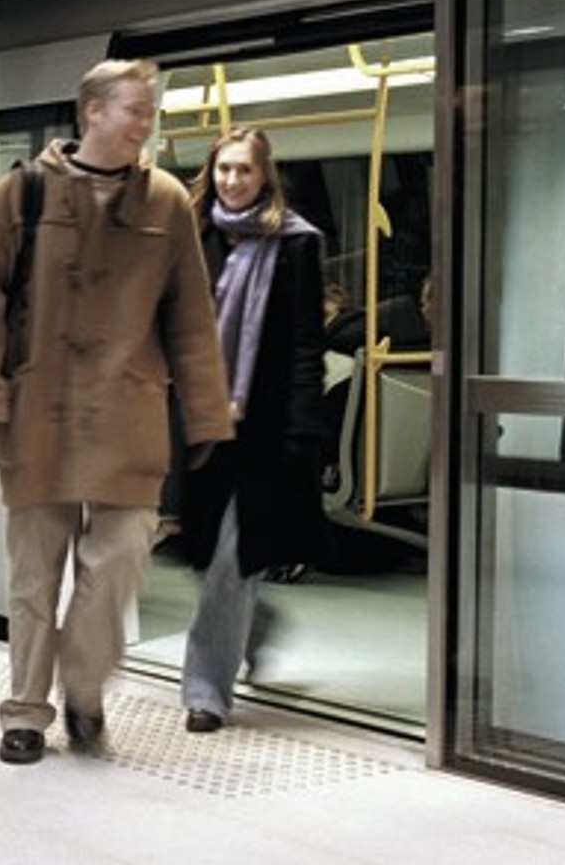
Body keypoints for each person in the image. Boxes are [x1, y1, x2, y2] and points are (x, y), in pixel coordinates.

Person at [0, 59, 232, 763]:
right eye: (133, 108)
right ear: (91, 112)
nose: (145, 122)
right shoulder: (21, 193)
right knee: (36, 576)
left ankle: (83, 686)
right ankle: (25, 712)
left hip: (128, 414)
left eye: (149, 109)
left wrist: (205, 415)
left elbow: (192, 318)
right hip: (36, 411)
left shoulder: (165, 201)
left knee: (120, 563)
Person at [177, 127, 332, 734]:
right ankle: (254, 619)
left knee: (229, 560)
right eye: (222, 170)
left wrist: (304, 427)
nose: (232, 181)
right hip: (199, 422)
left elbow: (304, 344)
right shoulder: (195, 235)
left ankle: (206, 690)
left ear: (265, 175)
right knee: (199, 551)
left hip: (263, 428)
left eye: (243, 170)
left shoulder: (296, 246)